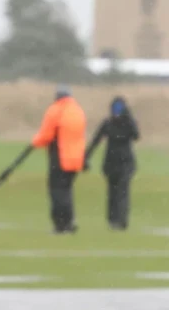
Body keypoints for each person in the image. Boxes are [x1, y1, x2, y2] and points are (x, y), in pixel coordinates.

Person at [31, 85, 86, 234]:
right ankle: (70, 221)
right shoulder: (77, 110)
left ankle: (60, 224)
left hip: (60, 157)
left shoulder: (55, 110)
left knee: (57, 191)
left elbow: (46, 135)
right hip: (76, 159)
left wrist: (35, 142)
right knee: (67, 190)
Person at [85, 96, 140, 230]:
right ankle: (112, 220)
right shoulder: (108, 123)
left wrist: (129, 118)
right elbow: (95, 140)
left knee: (122, 192)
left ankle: (121, 221)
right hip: (110, 163)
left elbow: (136, 136)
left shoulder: (128, 123)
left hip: (126, 163)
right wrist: (85, 157)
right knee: (112, 192)